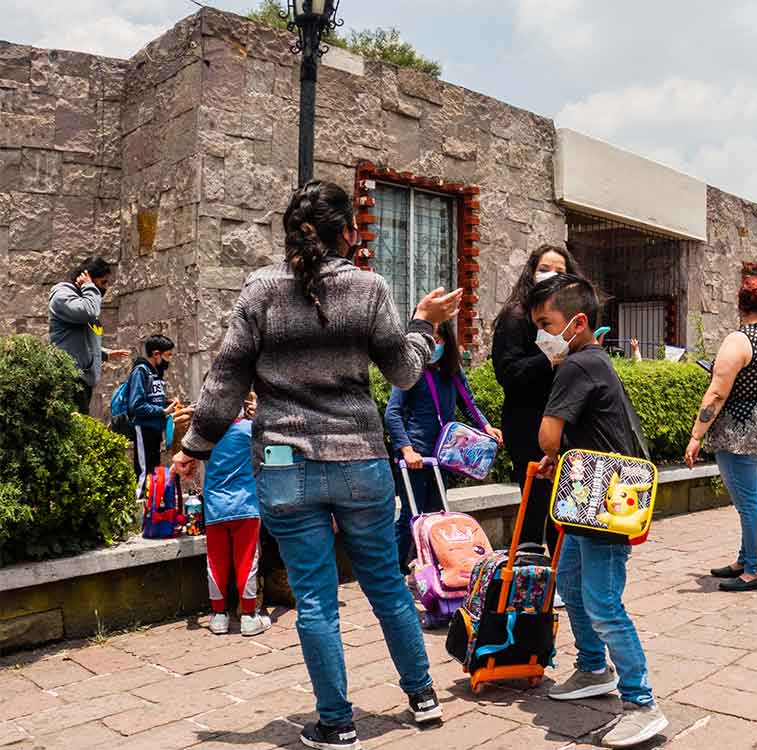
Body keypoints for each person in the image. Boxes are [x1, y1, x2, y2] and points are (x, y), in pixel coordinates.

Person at [173, 180, 462, 750]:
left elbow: (226, 379)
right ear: (349, 235)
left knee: (314, 599)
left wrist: (194, 446)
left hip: (284, 461)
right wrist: (424, 324)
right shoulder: (371, 288)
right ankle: (423, 696)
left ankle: (337, 722)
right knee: (385, 585)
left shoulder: (259, 291)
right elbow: (405, 373)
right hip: (359, 459)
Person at [531, 274, 668, 748]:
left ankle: (642, 702)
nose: (541, 336)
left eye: (546, 324)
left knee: (604, 604)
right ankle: (593, 668)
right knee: (569, 581)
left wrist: (552, 446)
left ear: (578, 322)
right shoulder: (594, 361)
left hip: (605, 499)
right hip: (592, 491)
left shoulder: (575, 366)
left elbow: (548, 435)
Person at [684, 276, 757, 593]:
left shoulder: (738, 340)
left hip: (739, 433)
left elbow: (717, 393)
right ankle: (745, 560)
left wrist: (696, 436)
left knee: (748, 504)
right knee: (753, 500)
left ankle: (756, 569)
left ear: (740, 304)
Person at [385, 320, 502, 565]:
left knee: (437, 516)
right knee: (411, 516)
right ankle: (394, 573)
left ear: (446, 341)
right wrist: (407, 450)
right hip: (416, 456)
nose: (433, 346)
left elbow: (469, 404)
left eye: (437, 340)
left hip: (443, 456)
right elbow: (392, 413)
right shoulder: (411, 370)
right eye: (429, 340)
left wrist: (486, 427)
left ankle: (428, 569)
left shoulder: (452, 371)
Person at [491, 245, 579, 558]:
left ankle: (563, 575)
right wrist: (548, 359)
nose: (551, 275)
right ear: (531, 271)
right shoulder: (516, 316)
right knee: (536, 502)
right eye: (544, 268)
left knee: (565, 503)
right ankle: (531, 580)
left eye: (559, 269)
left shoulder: (568, 318)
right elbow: (507, 373)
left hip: (564, 421)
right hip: (528, 424)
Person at [204, 389, 272, 637]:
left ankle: (219, 616)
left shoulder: (206, 433)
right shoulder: (249, 430)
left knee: (216, 563)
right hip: (246, 505)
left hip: (214, 506)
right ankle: (249, 617)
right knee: (247, 561)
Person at [48, 256, 130, 413]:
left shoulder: (85, 298)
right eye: (103, 282)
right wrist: (90, 287)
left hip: (84, 380)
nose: (105, 288)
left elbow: (80, 340)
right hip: (70, 378)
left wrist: (104, 353)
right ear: (87, 278)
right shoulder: (62, 296)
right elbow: (88, 313)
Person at [128, 334, 177, 495]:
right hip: (143, 428)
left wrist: (167, 403)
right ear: (156, 354)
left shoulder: (156, 373)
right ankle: (140, 508)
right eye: (168, 355)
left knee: (153, 472)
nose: (169, 360)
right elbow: (136, 405)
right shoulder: (141, 371)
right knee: (144, 473)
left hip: (155, 429)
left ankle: (153, 508)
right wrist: (162, 411)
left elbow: (153, 399)